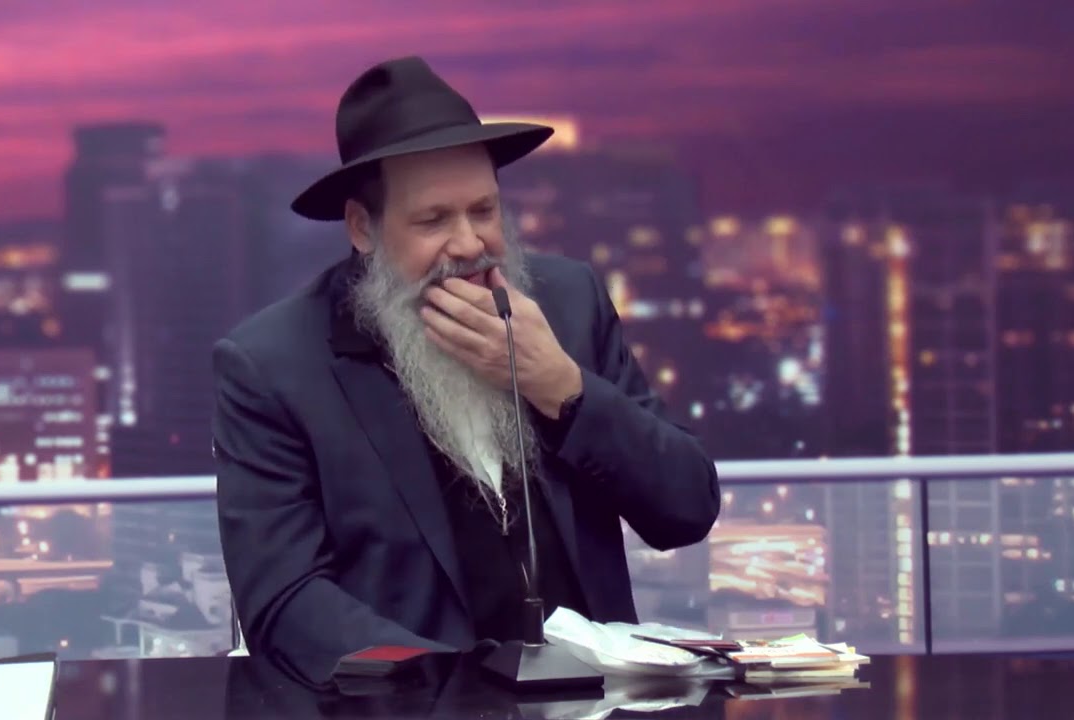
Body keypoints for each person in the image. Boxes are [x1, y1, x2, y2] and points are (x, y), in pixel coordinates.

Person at [211, 56, 720, 681]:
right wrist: (452, 687)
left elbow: (687, 509)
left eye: (484, 211)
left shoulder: (570, 302)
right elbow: (285, 604)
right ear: (362, 228)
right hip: (409, 707)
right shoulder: (272, 365)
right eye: (433, 220)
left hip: (591, 704)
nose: (470, 244)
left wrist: (561, 386)